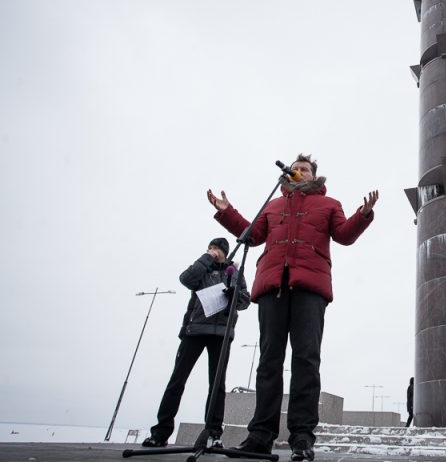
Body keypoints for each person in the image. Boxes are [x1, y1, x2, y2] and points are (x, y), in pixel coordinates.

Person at [207, 154, 378, 460]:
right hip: (273, 285)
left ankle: (302, 436)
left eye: (305, 169)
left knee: (306, 360)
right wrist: (227, 212)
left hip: (310, 289)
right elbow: (252, 236)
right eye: (295, 169)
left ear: (314, 176)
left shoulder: (329, 205)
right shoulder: (273, 205)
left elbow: (344, 236)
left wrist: (362, 214)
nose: (299, 172)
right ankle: (260, 435)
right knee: (269, 361)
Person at [142, 237, 250, 448]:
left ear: (225, 252)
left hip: (221, 333)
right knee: (177, 380)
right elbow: (186, 279)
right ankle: (161, 431)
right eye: (210, 248)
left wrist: (234, 294)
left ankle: (213, 433)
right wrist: (205, 258)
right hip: (195, 330)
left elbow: (245, 300)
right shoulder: (203, 270)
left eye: (216, 248)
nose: (212, 251)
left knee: (217, 385)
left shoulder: (235, 273)